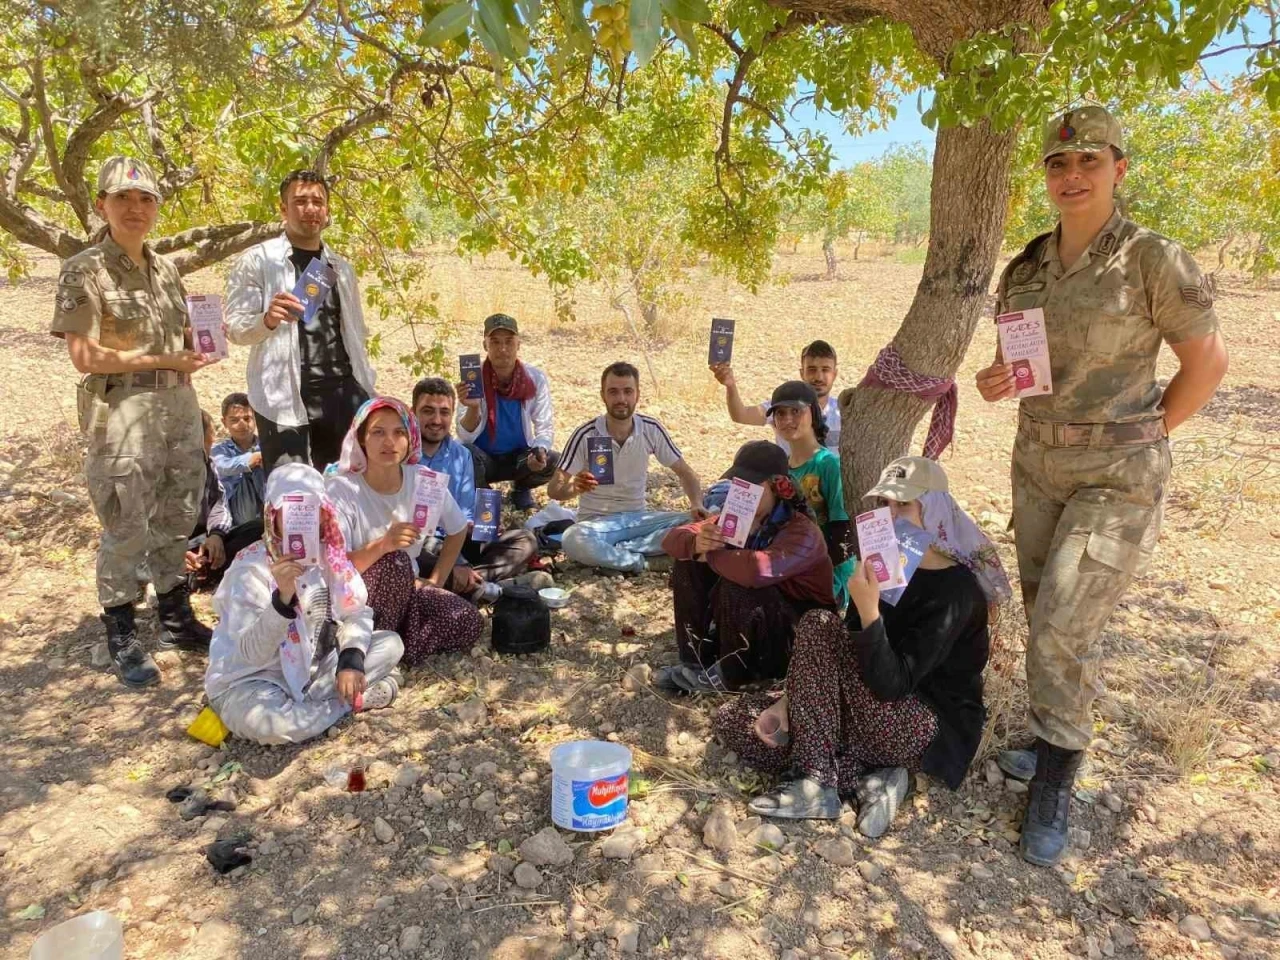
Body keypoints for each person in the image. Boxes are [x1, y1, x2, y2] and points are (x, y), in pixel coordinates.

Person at [974, 106, 1228, 866]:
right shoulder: (1025, 269)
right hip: (1038, 464)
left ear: (1119, 169)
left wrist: (1146, 435)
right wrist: (995, 381)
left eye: (1089, 160)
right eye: (1059, 164)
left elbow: (1207, 364)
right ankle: (1048, 734)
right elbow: (1020, 367)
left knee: (1063, 620)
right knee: (1041, 612)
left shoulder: (1154, 260)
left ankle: (1057, 774)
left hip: (1117, 476)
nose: (1073, 175)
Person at [715, 457, 1012, 835]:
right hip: (865, 702)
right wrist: (790, 701)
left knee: (818, 624)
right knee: (735, 718)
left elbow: (892, 685)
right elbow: (845, 650)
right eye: (885, 504)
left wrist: (870, 611)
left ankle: (815, 781)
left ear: (934, 510)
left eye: (904, 504)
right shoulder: (884, 564)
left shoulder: (957, 591)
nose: (892, 515)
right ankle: (871, 777)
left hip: (922, 722)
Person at [51, 156, 216, 688]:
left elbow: (182, 338)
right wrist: (163, 358)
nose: (135, 208)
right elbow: (85, 356)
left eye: (146, 199)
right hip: (124, 412)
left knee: (178, 512)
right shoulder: (84, 269)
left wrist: (201, 344)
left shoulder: (166, 270)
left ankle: (174, 616)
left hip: (179, 408)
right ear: (102, 204)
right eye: (123, 197)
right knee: (126, 522)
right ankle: (121, 630)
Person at [205, 463, 404, 745]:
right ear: (273, 516)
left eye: (311, 510)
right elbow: (250, 656)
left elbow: (356, 612)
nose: (302, 519)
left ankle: (318, 704)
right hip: (253, 681)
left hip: (313, 672)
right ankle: (348, 702)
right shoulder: (249, 569)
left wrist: (351, 660)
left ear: (323, 514)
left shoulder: (328, 557)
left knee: (390, 643)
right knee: (272, 725)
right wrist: (282, 599)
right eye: (292, 511)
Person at [225, 169, 377, 475]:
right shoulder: (258, 261)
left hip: (343, 393)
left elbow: (355, 333)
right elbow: (235, 328)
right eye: (300, 201)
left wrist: (365, 387)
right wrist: (267, 319)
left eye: (318, 202)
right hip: (283, 397)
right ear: (283, 209)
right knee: (291, 492)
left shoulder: (340, 267)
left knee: (345, 487)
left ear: (327, 210)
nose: (310, 209)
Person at [659, 441, 835, 694]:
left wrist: (709, 556)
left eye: (752, 484)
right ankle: (694, 661)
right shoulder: (737, 520)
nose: (742, 492)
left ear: (776, 486)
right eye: (738, 483)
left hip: (796, 637)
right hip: (757, 626)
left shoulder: (802, 531)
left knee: (738, 583)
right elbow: (672, 540)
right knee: (688, 563)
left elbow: (756, 570)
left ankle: (734, 677)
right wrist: (696, 543)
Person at [325, 398, 483, 667]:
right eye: (378, 432)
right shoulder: (341, 489)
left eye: (399, 432)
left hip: (408, 590)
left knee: (468, 620)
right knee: (395, 562)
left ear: (410, 438)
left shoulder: (423, 480)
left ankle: (395, 648)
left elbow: (457, 530)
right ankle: (370, 644)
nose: (389, 442)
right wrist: (383, 545)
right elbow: (336, 567)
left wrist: (435, 580)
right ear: (361, 438)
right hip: (355, 597)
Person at [550, 362, 706, 574]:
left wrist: (697, 503)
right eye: (613, 392)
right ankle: (643, 561)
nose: (621, 399)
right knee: (573, 539)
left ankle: (621, 551)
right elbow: (554, 490)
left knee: (702, 520)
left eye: (628, 391)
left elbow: (685, 472)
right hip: (596, 525)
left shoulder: (650, 429)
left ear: (637, 394)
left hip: (637, 520)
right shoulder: (586, 434)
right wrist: (575, 488)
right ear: (603, 395)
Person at [411, 377, 545, 600]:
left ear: (452, 415)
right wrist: (457, 560)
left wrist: (478, 527)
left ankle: (466, 583)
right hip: (421, 541)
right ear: (413, 412)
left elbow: (464, 515)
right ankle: (482, 586)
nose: (436, 420)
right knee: (410, 552)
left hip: (456, 540)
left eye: (444, 412)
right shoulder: (403, 455)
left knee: (525, 540)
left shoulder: (461, 455)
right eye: (428, 411)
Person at [455, 313, 557, 510]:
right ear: (485, 345)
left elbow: (544, 426)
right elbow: (464, 436)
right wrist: (473, 407)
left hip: (519, 459)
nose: (502, 349)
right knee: (464, 454)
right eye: (495, 342)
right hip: (484, 460)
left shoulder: (535, 378)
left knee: (553, 461)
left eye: (509, 341)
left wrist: (540, 450)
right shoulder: (473, 377)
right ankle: (486, 498)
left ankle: (521, 488)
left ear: (518, 344)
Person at [768, 380, 856, 606]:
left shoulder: (828, 464)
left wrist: (829, 583)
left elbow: (842, 531)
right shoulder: (781, 470)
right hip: (792, 570)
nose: (787, 419)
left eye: (796, 411)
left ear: (813, 414)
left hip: (828, 578)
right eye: (780, 413)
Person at [711, 340, 841, 453]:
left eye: (825, 370)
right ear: (802, 373)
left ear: (834, 374)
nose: (818, 377)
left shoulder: (844, 411)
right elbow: (741, 415)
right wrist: (731, 386)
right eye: (812, 370)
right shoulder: (783, 406)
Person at [211, 391, 265, 527]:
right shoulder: (219, 450)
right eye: (234, 420)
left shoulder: (266, 446)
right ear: (224, 422)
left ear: (256, 419)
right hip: (236, 510)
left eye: (247, 419)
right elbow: (221, 466)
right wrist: (251, 460)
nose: (241, 425)